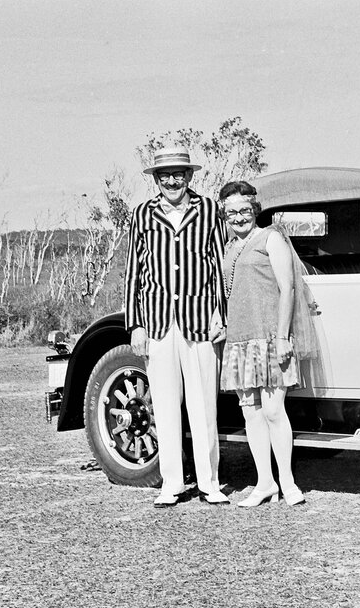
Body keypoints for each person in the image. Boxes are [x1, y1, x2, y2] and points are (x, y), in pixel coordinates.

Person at [124, 146, 229, 507]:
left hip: (200, 321)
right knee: (166, 407)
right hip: (157, 323)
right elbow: (134, 272)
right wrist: (135, 324)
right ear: (156, 179)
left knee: (204, 409)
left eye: (178, 174)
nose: (171, 181)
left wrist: (222, 314)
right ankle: (172, 483)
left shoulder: (209, 210)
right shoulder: (142, 214)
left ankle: (210, 483)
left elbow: (220, 266)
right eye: (164, 175)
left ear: (189, 177)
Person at [218, 181, 318, 508]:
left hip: (272, 339)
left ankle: (287, 483)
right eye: (231, 212)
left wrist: (283, 337)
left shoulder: (270, 238)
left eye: (244, 210)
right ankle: (264, 484)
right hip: (240, 342)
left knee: (275, 411)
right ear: (224, 214)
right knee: (251, 414)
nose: (238, 217)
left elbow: (288, 289)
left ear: (255, 209)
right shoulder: (228, 248)